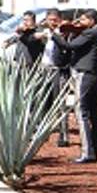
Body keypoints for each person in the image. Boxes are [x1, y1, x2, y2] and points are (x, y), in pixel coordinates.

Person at [52, 7, 97, 163]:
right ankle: (94, 152)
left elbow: (69, 46)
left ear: (92, 20)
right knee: (94, 114)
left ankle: (87, 153)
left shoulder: (91, 33)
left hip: (85, 75)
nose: (79, 22)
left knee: (82, 112)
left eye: (83, 19)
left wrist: (54, 35)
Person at [41, 8, 73, 146]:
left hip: (59, 71)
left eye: (55, 20)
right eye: (50, 20)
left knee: (60, 104)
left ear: (60, 20)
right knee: (44, 103)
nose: (52, 23)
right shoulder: (45, 33)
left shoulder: (65, 33)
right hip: (45, 70)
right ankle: (44, 132)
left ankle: (63, 136)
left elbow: (66, 47)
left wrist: (56, 33)